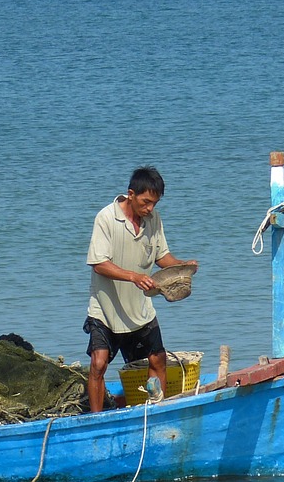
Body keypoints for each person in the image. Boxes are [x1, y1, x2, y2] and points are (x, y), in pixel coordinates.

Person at [83, 166, 198, 412]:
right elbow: (98, 264)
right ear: (131, 194)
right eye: (145, 202)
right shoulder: (106, 218)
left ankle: (156, 411)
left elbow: (162, 256)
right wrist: (134, 276)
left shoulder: (153, 219)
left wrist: (182, 265)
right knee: (98, 364)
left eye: (154, 204)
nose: (150, 209)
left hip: (140, 307)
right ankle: (95, 420)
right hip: (105, 308)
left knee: (158, 359)